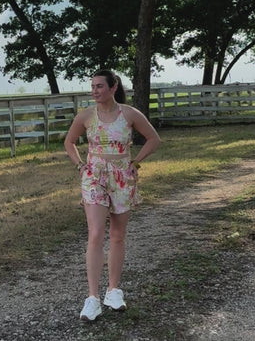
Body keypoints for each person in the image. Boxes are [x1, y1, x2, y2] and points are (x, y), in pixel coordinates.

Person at [64, 69, 161, 322]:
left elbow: (153, 139)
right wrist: (80, 165)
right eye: (92, 86)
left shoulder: (129, 114)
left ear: (113, 87)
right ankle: (92, 298)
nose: (94, 91)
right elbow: (69, 142)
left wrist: (136, 162)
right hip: (94, 176)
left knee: (117, 235)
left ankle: (113, 291)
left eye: (99, 86)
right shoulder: (86, 115)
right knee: (96, 233)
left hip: (122, 177)